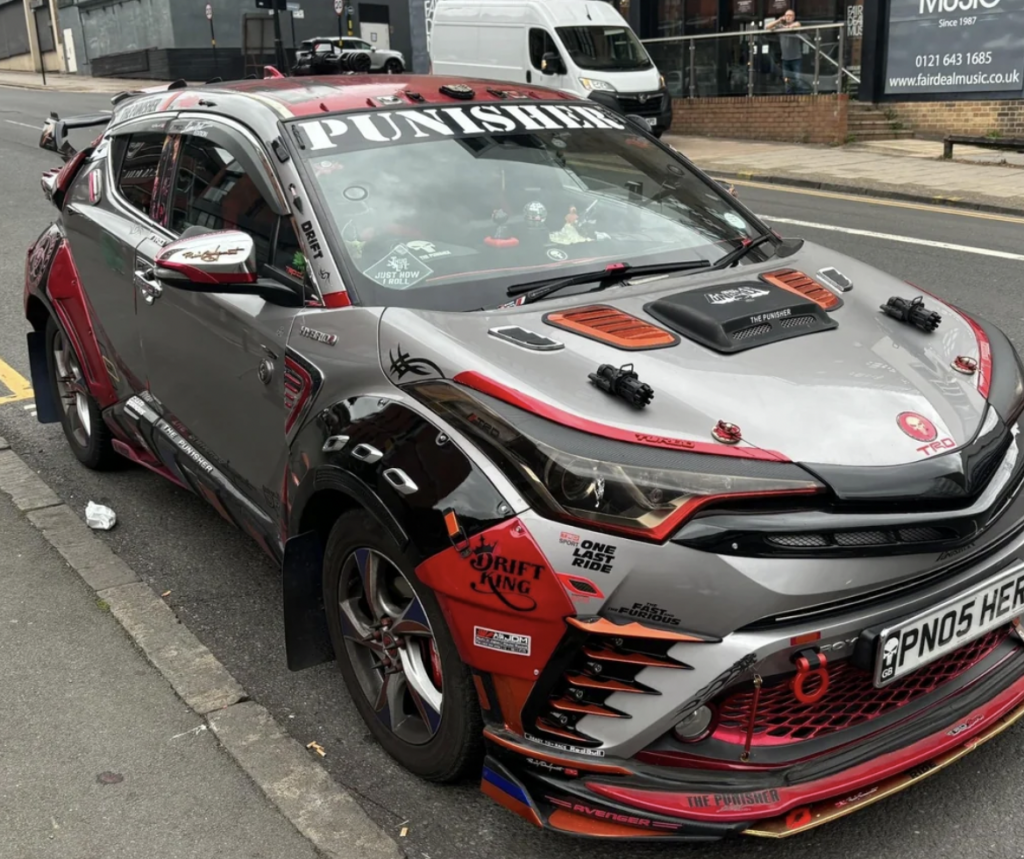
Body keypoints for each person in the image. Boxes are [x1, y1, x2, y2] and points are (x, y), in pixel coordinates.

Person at [767, 9, 802, 94]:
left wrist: (787, 27)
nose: (788, 17)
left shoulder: (796, 24)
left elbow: (797, 25)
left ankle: (799, 96)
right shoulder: (780, 26)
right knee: (787, 79)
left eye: (790, 15)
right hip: (785, 58)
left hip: (796, 58)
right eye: (786, 15)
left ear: (793, 17)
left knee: (797, 79)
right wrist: (779, 20)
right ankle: (789, 97)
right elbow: (767, 27)